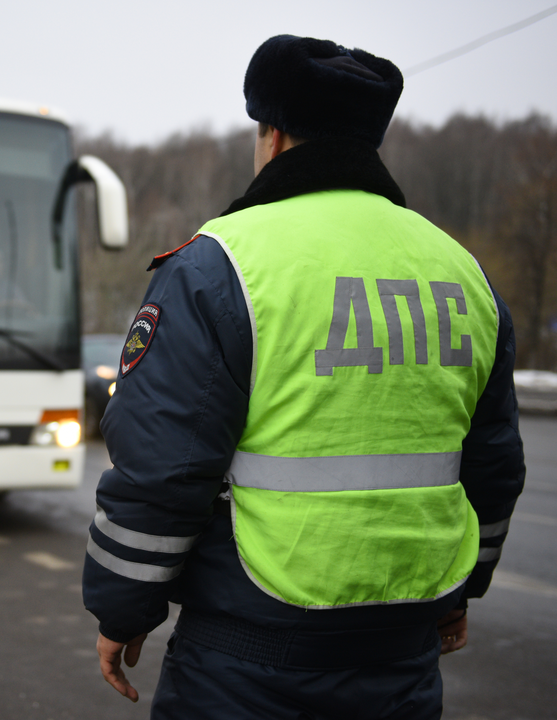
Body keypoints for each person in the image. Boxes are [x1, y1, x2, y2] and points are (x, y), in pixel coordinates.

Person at [82, 35, 525, 719]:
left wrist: (122, 610)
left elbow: (162, 465)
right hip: (403, 656)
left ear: (272, 135)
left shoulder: (220, 265)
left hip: (249, 661)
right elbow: (492, 465)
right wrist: (460, 593)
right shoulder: (462, 271)